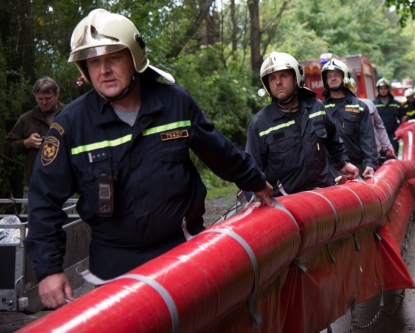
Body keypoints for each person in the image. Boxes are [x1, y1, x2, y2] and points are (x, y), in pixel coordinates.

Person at [24, 8, 274, 309]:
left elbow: (220, 152)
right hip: (114, 267)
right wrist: (49, 269)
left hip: (183, 252)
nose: (103, 70)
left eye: (112, 58)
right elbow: (44, 200)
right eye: (93, 62)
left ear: (134, 58)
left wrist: (257, 182)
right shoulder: (70, 126)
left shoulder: (175, 104)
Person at [246, 51, 358, 197]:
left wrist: (343, 163)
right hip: (287, 205)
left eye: (284, 76)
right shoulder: (259, 124)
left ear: (296, 78)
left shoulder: (317, 108)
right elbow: (252, 170)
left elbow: (333, 141)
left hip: (323, 196)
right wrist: (253, 198)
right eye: (272, 78)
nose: (278, 82)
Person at [4, 77, 65, 214]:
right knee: (30, 224)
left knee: (66, 225)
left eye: (48, 98)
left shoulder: (70, 114)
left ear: (57, 94)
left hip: (64, 182)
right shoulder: (27, 119)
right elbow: (8, 146)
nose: (44, 102)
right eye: (40, 99)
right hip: (34, 182)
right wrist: (26, 143)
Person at [320, 60, 378, 177]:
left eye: (337, 75)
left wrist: (370, 163)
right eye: (329, 76)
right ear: (325, 80)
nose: (333, 79)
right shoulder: (320, 108)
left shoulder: (360, 107)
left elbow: (367, 139)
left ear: (345, 77)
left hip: (357, 166)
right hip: (330, 169)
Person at [348, 77, 395, 165]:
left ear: (355, 88)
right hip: (351, 157)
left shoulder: (369, 104)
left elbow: (379, 127)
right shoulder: (337, 108)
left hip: (373, 154)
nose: (349, 89)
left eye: (351, 86)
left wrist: (387, 146)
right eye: (346, 87)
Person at [373, 78, 406, 155]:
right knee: (380, 158)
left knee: (392, 156)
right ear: (378, 90)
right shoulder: (373, 104)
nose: (383, 90)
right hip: (378, 136)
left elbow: (402, 116)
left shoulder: (396, 104)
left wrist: (403, 118)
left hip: (393, 135)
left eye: (385, 88)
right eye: (381, 88)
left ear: (389, 89)